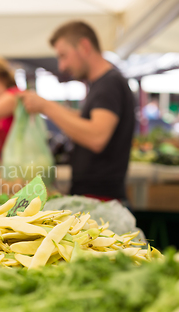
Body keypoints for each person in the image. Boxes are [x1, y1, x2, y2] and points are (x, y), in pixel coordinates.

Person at [20, 21, 135, 201]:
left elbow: (97, 137)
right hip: (94, 196)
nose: (62, 66)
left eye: (63, 55)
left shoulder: (109, 84)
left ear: (84, 46)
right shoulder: (101, 84)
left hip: (101, 199)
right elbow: (85, 120)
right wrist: (48, 105)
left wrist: (46, 107)